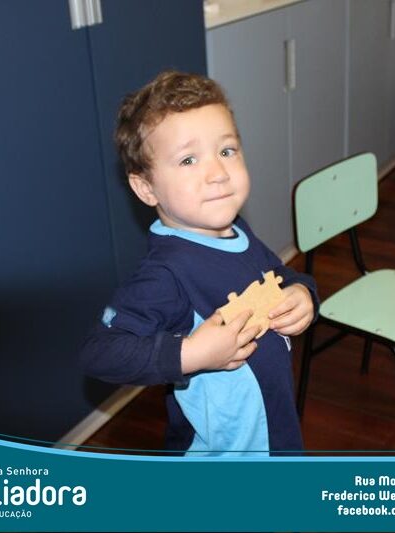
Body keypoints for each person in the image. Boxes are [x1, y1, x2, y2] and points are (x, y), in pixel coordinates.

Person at [80, 71, 318, 456]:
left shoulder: (237, 233)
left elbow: (278, 274)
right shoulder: (166, 273)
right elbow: (99, 352)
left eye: (227, 151)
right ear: (146, 188)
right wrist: (192, 353)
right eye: (189, 159)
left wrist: (302, 291)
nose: (218, 173)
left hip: (275, 439)